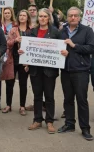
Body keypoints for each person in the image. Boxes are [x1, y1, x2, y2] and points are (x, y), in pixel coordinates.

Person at [19, 8, 61, 134]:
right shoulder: (33, 31)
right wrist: (23, 53)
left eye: (44, 16)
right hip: (35, 70)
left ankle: (49, 121)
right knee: (37, 96)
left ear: (49, 18)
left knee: (49, 96)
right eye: (40, 16)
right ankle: (37, 119)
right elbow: (28, 49)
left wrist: (63, 52)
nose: (42, 18)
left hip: (49, 70)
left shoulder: (55, 32)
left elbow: (60, 49)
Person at [57, 7, 94, 141]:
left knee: (82, 100)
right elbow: (56, 47)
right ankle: (69, 124)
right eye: (70, 15)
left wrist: (74, 46)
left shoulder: (87, 31)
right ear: (67, 17)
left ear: (79, 17)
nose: (73, 18)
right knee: (68, 99)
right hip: (66, 70)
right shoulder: (62, 31)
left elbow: (91, 48)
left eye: (75, 15)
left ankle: (85, 128)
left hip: (81, 71)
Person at [2, 10, 32, 116]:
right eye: (20, 15)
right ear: (18, 17)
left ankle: (22, 106)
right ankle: (8, 105)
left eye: (24, 15)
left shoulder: (31, 31)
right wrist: (15, 40)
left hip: (25, 61)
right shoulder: (13, 30)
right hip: (13, 60)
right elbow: (7, 44)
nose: (22, 17)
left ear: (27, 17)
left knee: (23, 84)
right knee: (9, 83)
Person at [0, 7, 18, 114]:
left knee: (9, 80)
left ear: (11, 14)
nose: (6, 14)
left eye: (8, 13)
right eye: (5, 12)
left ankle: (8, 104)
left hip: (10, 56)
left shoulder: (15, 26)